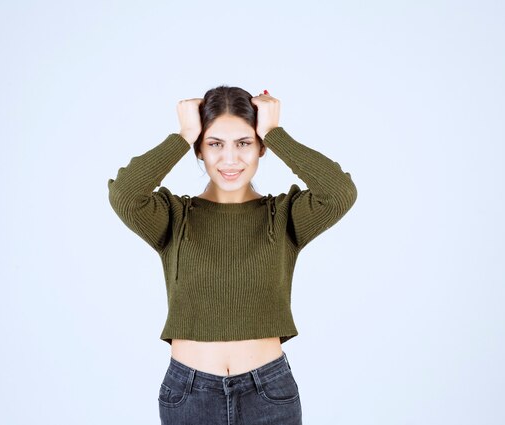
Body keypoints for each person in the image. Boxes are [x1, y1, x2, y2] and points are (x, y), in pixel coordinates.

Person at [107, 85, 357, 424]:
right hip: (189, 394)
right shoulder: (172, 216)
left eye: (244, 143)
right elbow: (125, 194)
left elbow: (339, 192)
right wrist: (182, 135)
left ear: (260, 148)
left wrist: (274, 131)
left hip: (269, 393)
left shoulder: (284, 215)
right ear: (199, 149)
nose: (230, 159)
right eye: (214, 144)